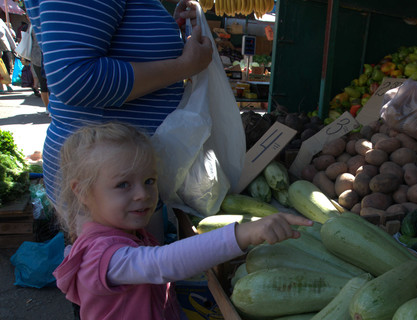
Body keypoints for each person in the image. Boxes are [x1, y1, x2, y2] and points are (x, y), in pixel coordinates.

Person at [52, 122, 313, 320]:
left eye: (149, 181)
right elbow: (162, 263)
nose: (143, 194)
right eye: (123, 185)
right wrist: (242, 234)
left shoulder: (121, 232)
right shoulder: (101, 257)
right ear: (83, 192)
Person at [23, 0, 213, 240]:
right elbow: (74, 78)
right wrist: (185, 66)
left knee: (140, 272)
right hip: (107, 178)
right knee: (123, 271)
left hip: (122, 177)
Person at [0, 18, 15, 92]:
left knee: (7, 67)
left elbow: (8, 35)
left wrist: (14, 48)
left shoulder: (1, 21)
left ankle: (8, 84)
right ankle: (1, 87)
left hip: (5, 48)